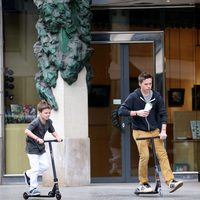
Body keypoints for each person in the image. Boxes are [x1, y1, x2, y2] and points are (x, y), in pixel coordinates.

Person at [118, 72, 183, 193]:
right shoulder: (134, 96)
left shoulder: (156, 96)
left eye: (150, 84)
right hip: (139, 131)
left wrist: (163, 131)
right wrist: (137, 112)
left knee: (162, 154)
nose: (149, 86)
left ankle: (170, 182)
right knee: (145, 156)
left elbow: (163, 114)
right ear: (140, 84)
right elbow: (121, 111)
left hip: (154, 131)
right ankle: (144, 183)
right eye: (146, 84)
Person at [24, 100, 62, 196]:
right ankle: (33, 188)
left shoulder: (48, 122)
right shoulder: (36, 122)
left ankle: (28, 174)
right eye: (45, 113)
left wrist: (57, 137)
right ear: (40, 113)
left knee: (45, 166)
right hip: (32, 148)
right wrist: (37, 138)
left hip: (41, 148)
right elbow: (27, 131)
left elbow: (52, 131)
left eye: (49, 113)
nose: (48, 115)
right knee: (35, 168)